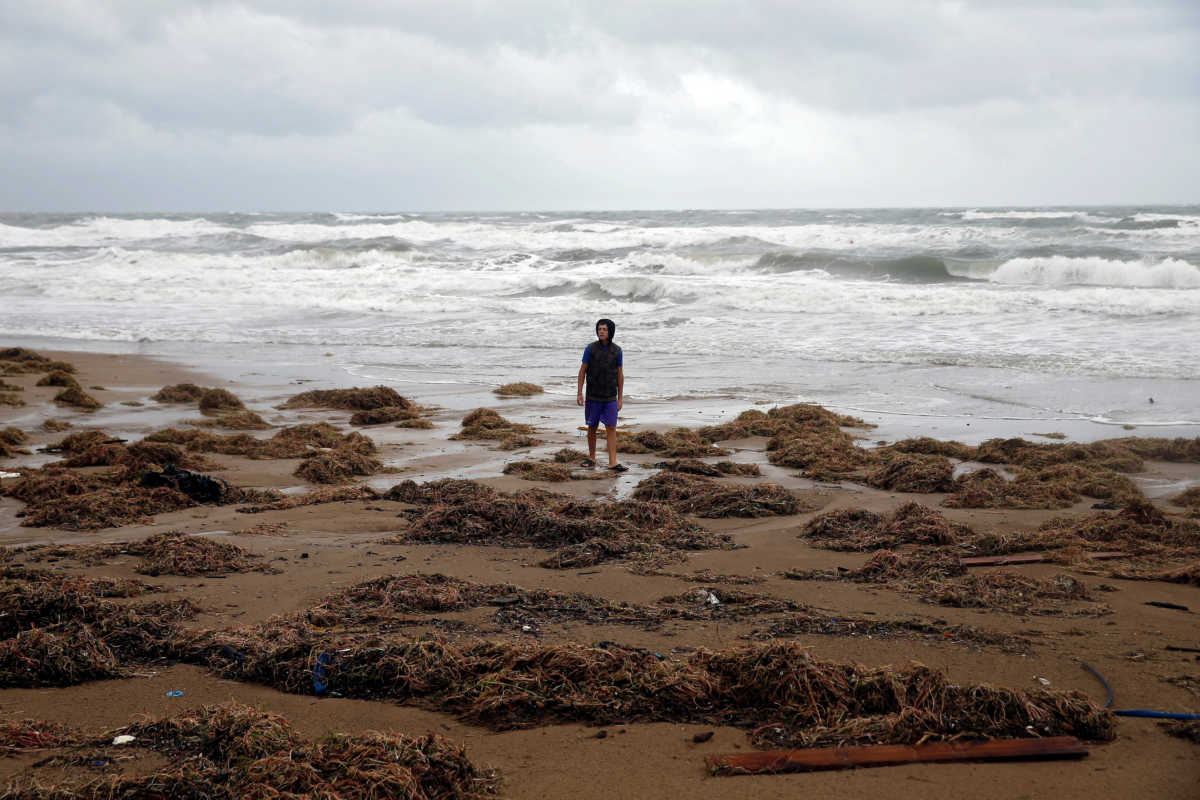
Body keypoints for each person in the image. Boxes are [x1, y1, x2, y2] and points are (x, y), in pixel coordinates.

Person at [576, 318, 627, 471]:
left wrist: (620, 398)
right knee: (592, 426)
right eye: (599, 329)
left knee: (611, 427)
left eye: (604, 329)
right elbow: (582, 371)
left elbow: (620, 375)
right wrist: (579, 393)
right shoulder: (590, 349)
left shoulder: (617, 350)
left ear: (610, 331)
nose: (601, 331)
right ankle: (592, 458)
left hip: (610, 396)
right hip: (593, 395)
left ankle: (613, 461)